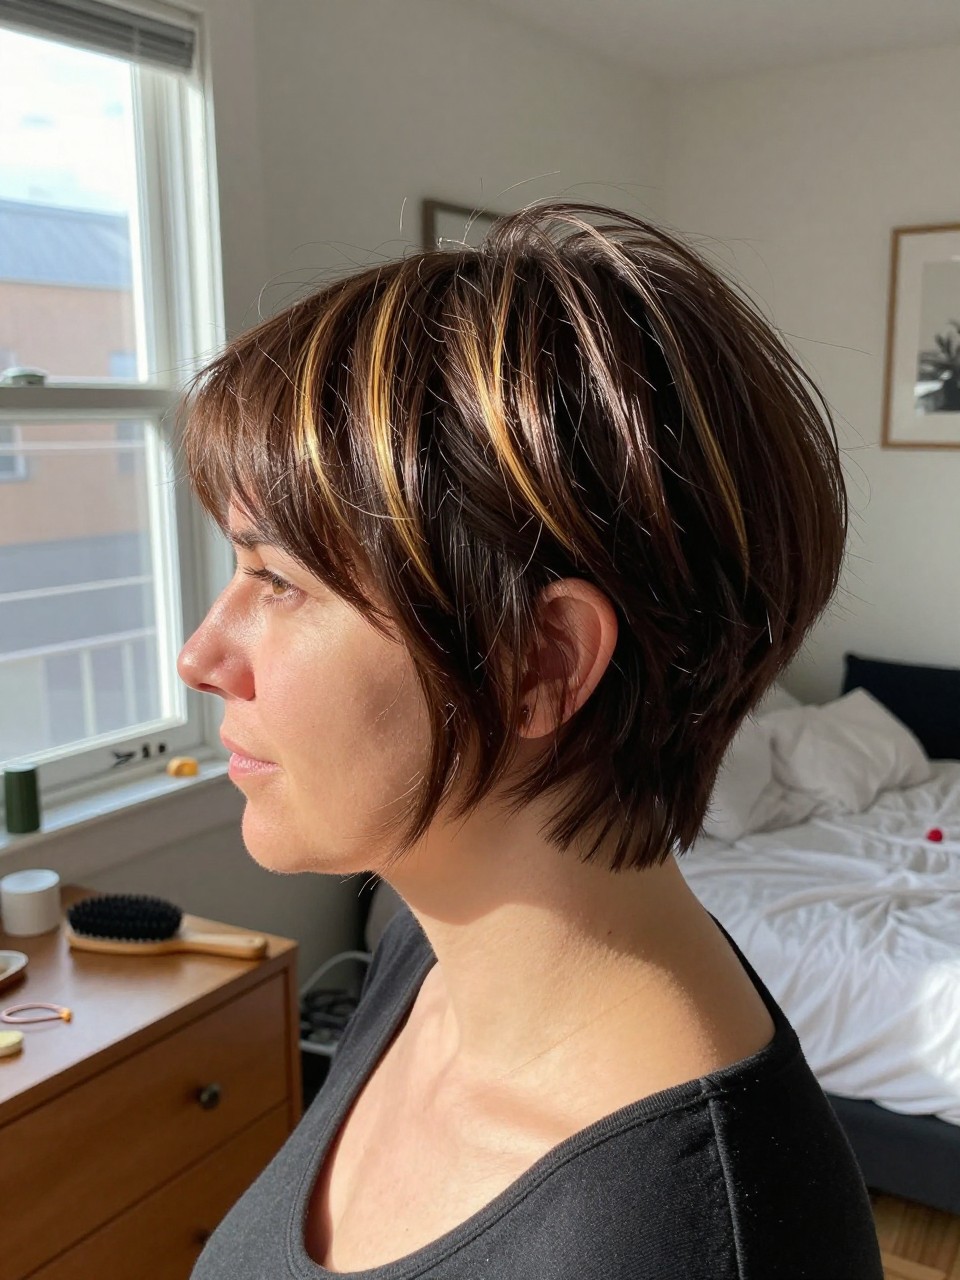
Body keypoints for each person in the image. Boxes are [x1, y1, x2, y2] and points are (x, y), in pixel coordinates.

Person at [176, 200, 884, 1278]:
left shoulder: (680, 1243)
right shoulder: (429, 950)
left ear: (539, 660)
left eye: (277, 579)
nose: (200, 655)